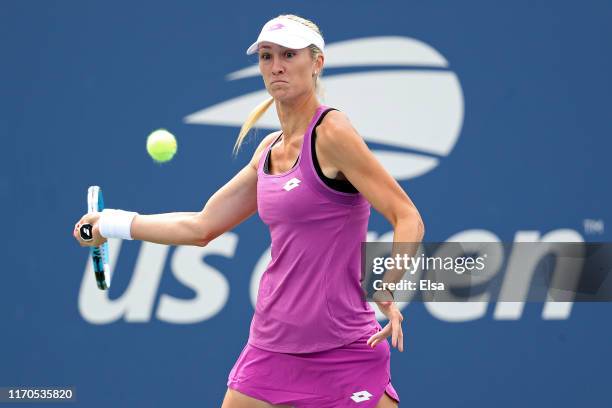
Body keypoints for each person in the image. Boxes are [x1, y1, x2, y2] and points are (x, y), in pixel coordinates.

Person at [73, 14, 424, 408]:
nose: (276, 66)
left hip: (345, 349)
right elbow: (201, 226)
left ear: (317, 63)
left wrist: (388, 285)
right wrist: (113, 223)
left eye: (289, 55)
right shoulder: (268, 151)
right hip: (271, 349)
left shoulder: (332, 133)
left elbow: (406, 215)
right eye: (267, 56)